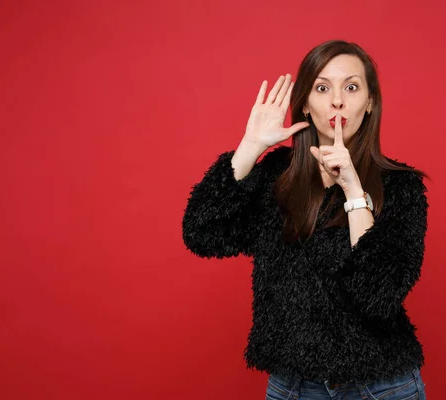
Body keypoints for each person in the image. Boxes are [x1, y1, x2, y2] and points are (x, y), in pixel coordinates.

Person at [182, 39, 429, 400]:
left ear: (370, 101)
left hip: (378, 387)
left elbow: (378, 296)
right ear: (305, 105)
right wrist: (251, 145)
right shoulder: (275, 177)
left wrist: (353, 192)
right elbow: (201, 233)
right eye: (322, 87)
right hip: (292, 387)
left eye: (352, 87)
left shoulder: (401, 187)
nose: (338, 101)